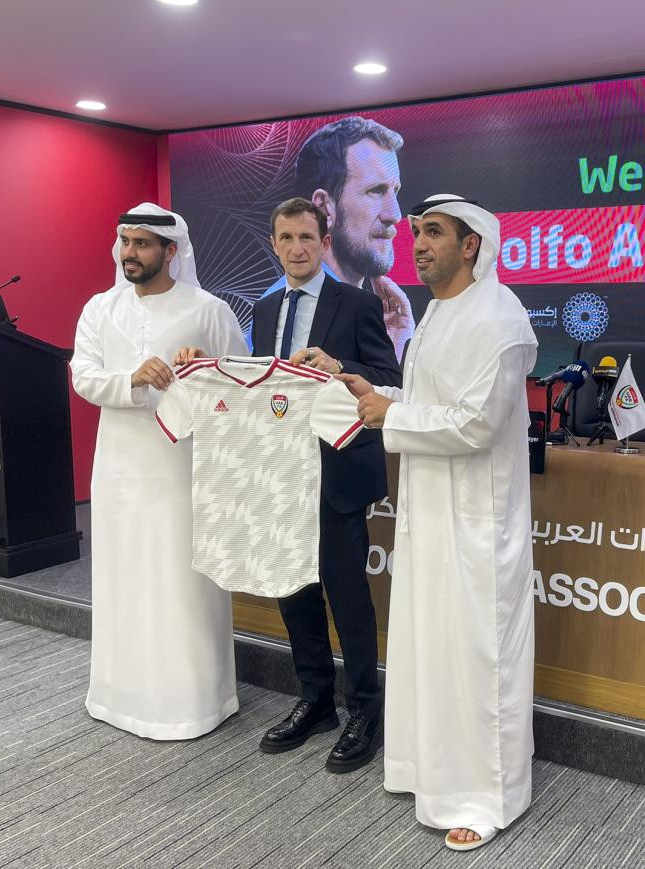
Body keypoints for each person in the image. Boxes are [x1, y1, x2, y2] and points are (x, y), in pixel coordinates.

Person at [340, 194, 538, 850]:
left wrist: (390, 417)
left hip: (476, 525)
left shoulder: (500, 316)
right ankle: (427, 769)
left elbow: (477, 424)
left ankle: (487, 796)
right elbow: (429, 403)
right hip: (427, 514)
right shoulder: (435, 313)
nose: (418, 243)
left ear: (471, 243)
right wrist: (370, 392)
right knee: (430, 645)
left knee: (478, 655)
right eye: (417, 232)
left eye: (433, 233)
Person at [181, 197, 400, 771]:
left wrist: (338, 368)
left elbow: (387, 379)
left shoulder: (357, 303)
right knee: (291, 588)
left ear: (324, 242)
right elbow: (261, 386)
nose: (297, 249)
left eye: (307, 238)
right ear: (274, 243)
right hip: (278, 473)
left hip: (335, 472)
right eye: (286, 238)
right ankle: (315, 699)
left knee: (347, 594)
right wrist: (210, 368)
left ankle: (366, 711)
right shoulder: (266, 304)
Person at [70, 202, 247, 739]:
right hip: (120, 470)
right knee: (124, 579)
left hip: (182, 471)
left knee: (181, 583)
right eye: (125, 241)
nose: (130, 252)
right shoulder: (99, 309)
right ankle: (120, 695)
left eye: (143, 243)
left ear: (172, 251)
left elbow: (240, 382)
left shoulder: (208, 309)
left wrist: (202, 370)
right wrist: (133, 380)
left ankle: (195, 701)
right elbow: (83, 376)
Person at [293, 116, 414, 359]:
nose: (396, 215)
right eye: (376, 191)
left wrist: (393, 352)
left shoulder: (369, 312)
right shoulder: (291, 309)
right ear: (324, 208)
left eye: (395, 191)